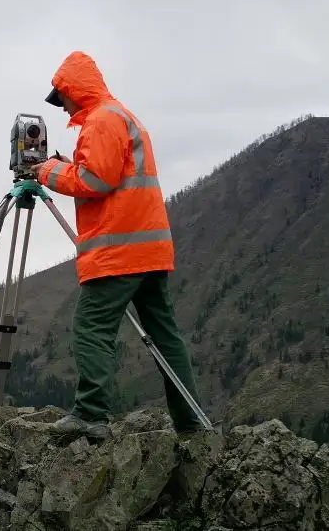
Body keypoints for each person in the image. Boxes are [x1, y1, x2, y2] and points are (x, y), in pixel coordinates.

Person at [29, 50, 204, 440]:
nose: (63, 108)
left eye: (63, 98)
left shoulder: (102, 120)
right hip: (150, 249)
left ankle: (91, 415)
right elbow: (110, 174)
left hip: (119, 250)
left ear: (74, 90)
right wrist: (65, 164)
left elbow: (94, 181)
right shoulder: (122, 116)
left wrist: (45, 170)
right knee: (165, 335)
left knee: (91, 326)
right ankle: (191, 424)